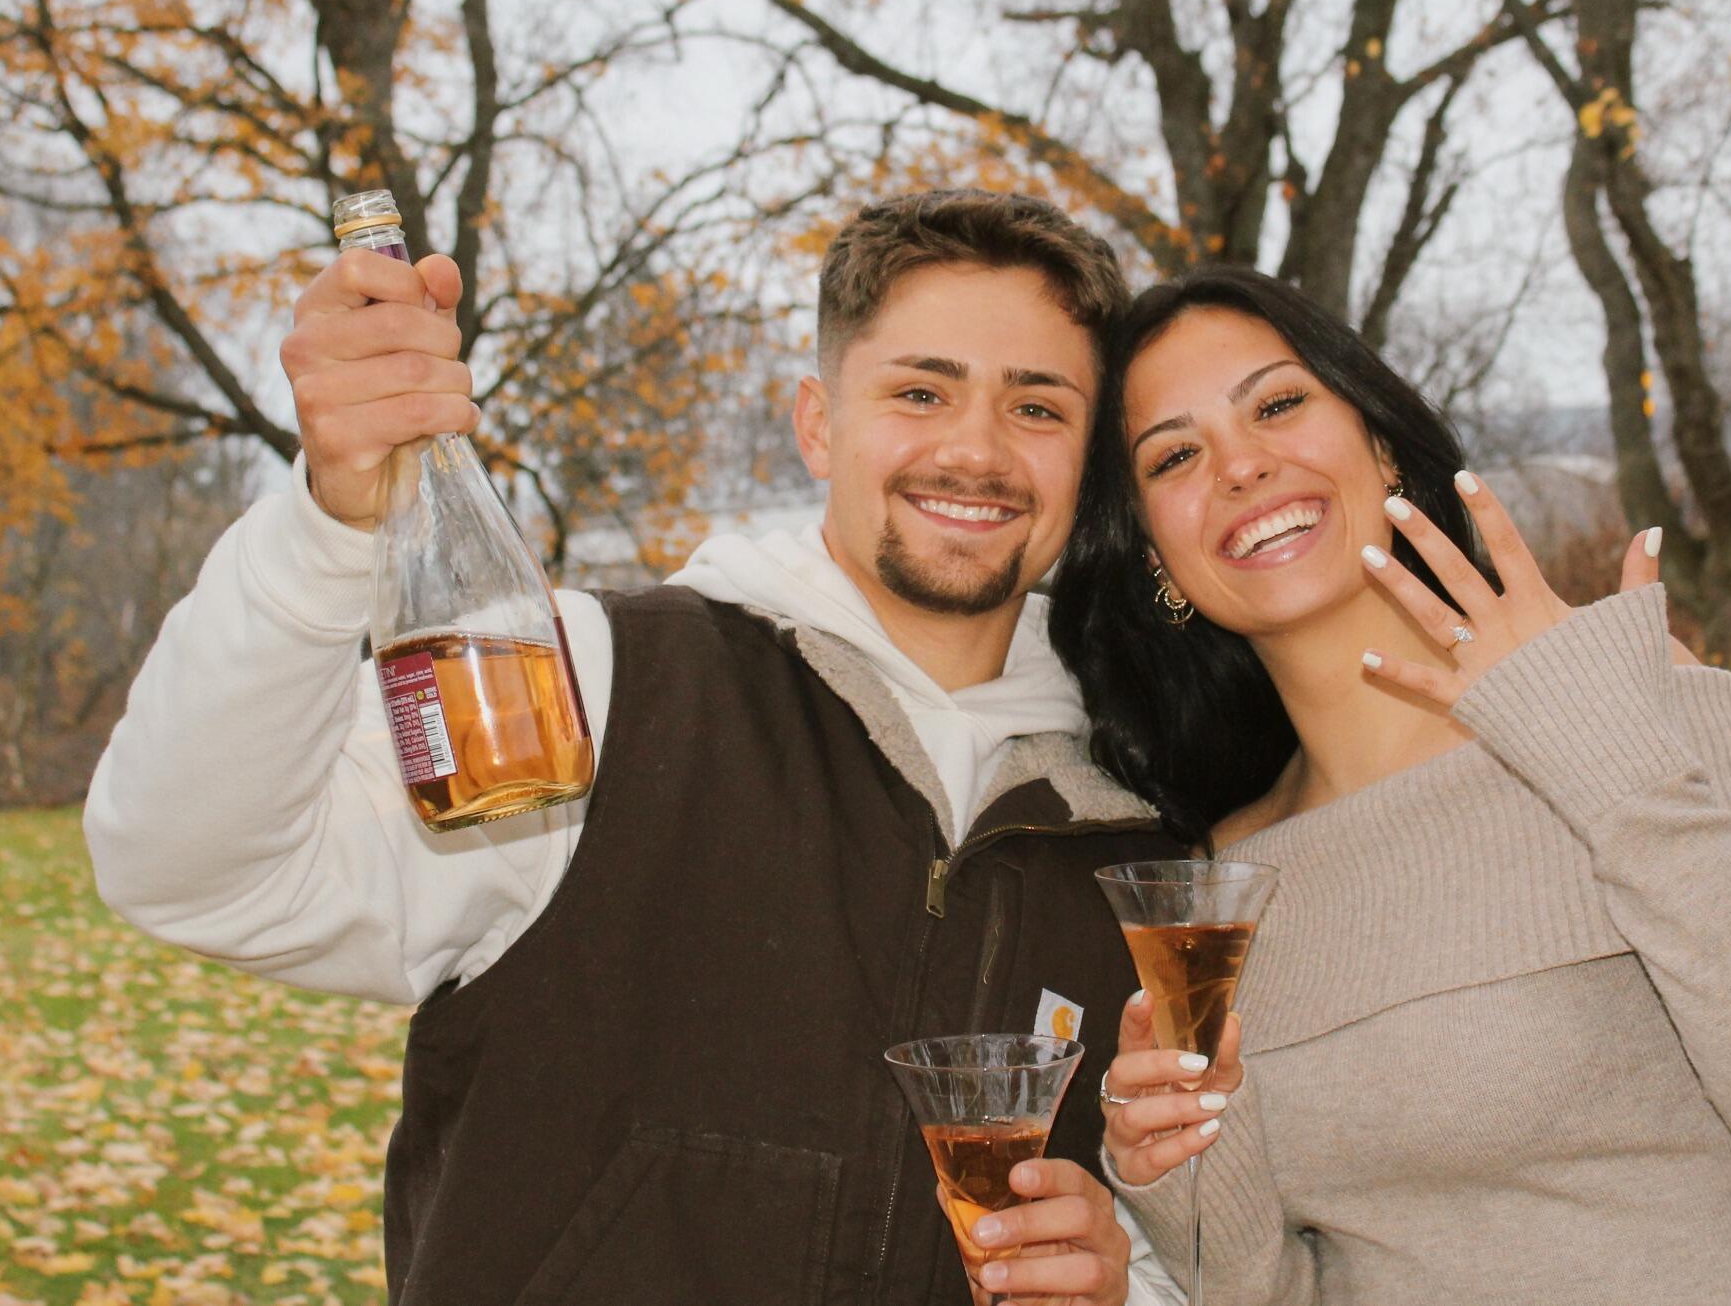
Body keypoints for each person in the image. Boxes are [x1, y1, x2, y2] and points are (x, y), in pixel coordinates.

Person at [86, 190, 1195, 1306]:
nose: (974, 449)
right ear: (818, 422)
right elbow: (193, 870)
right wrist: (329, 524)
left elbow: (1184, 1236)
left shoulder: (1134, 826)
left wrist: (1118, 1283)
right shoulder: (600, 686)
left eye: (1038, 408)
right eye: (920, 390)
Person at [1051, 265, 1731, 1305]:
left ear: (1378, 441)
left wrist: (1596, 757)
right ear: (1153, 549)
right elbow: (1269, 1288)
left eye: (1277, 403)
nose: (1239, 466)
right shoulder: (1222, 875)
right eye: (1175, 454)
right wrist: (1173, 1167)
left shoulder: (1640, 703)